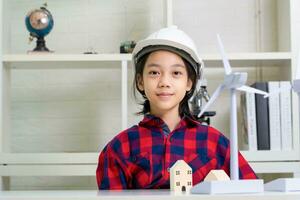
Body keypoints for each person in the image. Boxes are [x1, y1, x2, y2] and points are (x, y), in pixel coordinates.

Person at [96, 26, 257, 190]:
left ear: (189, 82)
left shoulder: (215, 143)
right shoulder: (120, 147)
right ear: (140, 81)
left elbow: (253, 191)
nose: (164, 82)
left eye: (176, 73)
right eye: (154, 72)